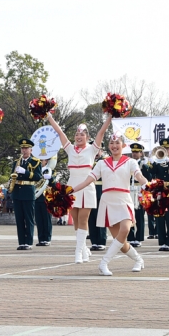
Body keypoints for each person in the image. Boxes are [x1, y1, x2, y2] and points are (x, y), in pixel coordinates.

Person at [69, 133, 148, 275]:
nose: (114, 146)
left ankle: (103, 263)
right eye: (112, 143)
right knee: (122, 243)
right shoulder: (101, 163)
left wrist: (149, 185)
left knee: (125, 229)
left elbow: (139, 176)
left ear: (123, 145)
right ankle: (138, 259)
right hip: (108, 202)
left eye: (117, 143)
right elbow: (87, 181)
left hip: (124, 200)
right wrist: (69, 191)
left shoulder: (130, 162)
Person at [44, 112, 111, 262]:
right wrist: (48, 116)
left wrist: (110, 117)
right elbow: (59, 131)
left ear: (87, 137)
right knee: (75, 219)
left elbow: (101, 131)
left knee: (83, 219)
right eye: (76, 134)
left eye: (82, 134)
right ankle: (84, 249)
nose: (78, 137)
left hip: (87, 186)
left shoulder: (92, 149)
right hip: (71, 187)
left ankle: (78, 252)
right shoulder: (69, 148)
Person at [10, 138, 44, 250]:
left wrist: (26, 172)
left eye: (26, 148)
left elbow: (38, 176)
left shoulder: (36, 161)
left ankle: (28, 242)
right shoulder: (16, 162)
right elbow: (12, 175)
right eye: (22, 148)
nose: (24, 150)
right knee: (19, 218)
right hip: (17, 191)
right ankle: (21, 242)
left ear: (31, 149)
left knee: (28, 218)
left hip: (28, 191)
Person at [127, 143, 151, 247]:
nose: (135, 154)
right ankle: (130, 237)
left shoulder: (144, 165)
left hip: (139, 190)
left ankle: (139, 238)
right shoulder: (128, 164)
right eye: (133, 152)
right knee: (129, 214)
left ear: (141, 153)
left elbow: (149, 178)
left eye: (137, 152)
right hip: (129, 189)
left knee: (139, 215)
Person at [88, 150, 109, 251]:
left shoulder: (105, 160)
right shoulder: (88, 160)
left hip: (100, 191)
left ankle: (101, 241)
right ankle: (94, 241)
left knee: (100, 217)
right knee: (91, 218)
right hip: (89, 191)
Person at [34, 158, 53, 246]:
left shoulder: (49, 170)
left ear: (46, 161)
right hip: (36, 197)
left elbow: (54, 183)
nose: (40, 162)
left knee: (46, 219)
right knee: (39, 219)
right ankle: (41, 239)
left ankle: (47, 239)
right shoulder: (34, 170)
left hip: (46, 198)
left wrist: (51, 178)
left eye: (42, 160)